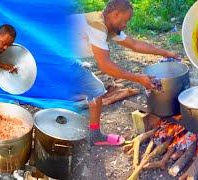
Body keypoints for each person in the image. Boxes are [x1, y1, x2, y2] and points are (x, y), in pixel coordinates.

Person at [72, 0, 180, 146]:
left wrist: (165, 53)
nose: (125, 25)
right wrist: (139, 78)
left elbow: (135, 44)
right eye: (125, 20)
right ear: (115, 14)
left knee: (93, 89)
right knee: (96, 90)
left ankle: (90, 132)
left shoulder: (107, 25)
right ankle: (93, 135)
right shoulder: (97, 27)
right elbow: (105, 66)